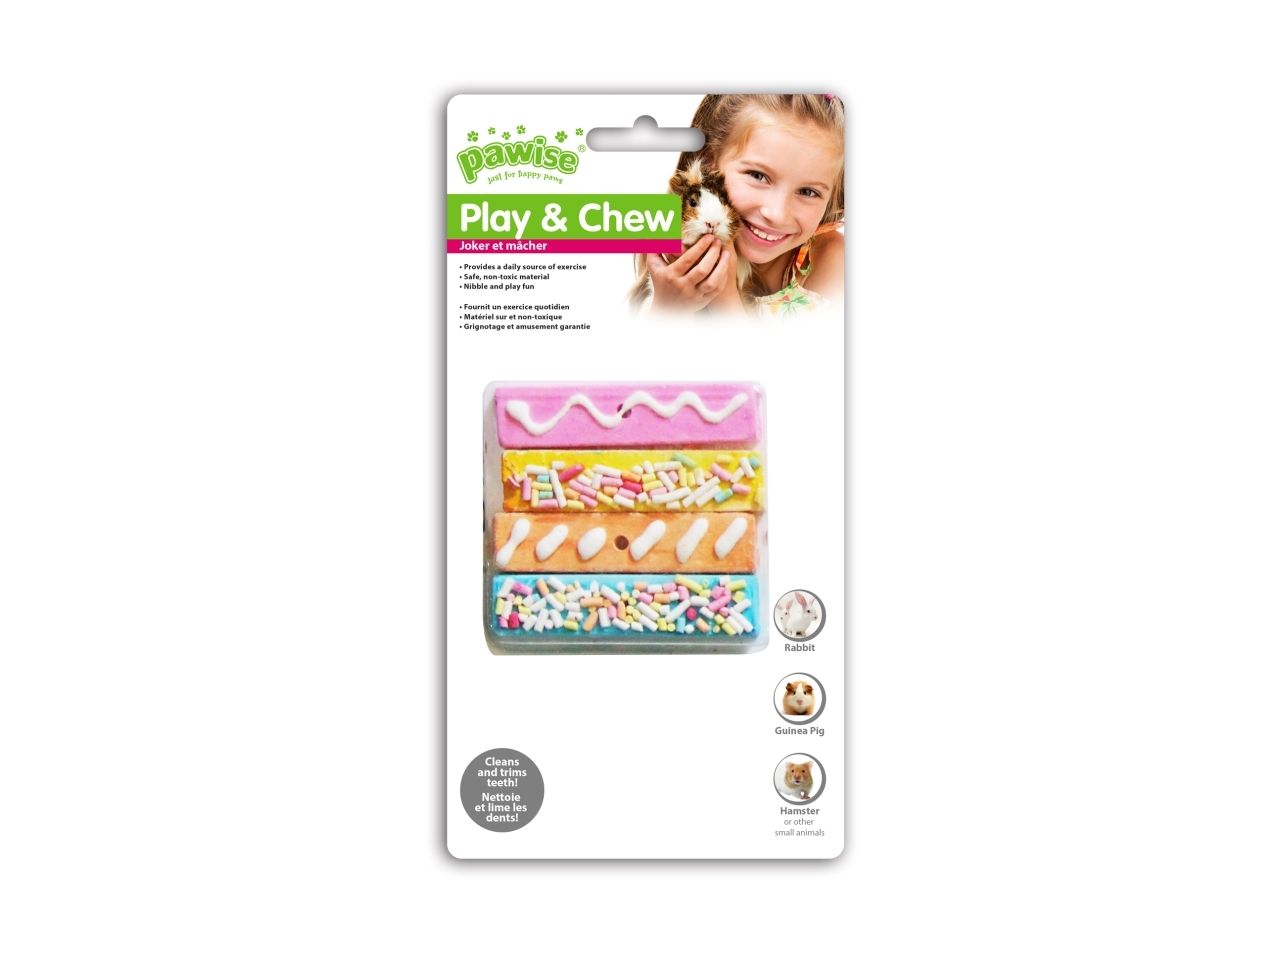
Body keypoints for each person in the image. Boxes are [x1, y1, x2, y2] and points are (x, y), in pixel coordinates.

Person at [644, 94, 845, 315]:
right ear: (709, 162)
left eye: (808, 192)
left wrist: (724, 294)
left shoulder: (834, 260)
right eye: (758, 176)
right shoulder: (657, 226)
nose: (777, 214)